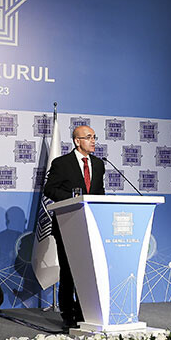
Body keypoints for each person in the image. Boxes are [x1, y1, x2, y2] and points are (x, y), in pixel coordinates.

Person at [43, 125, 105, 327]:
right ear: (77, 141)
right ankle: (68, 313)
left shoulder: (98, 164)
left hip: (91, 225)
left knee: (88, 269)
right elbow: (50, 189)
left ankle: (84, 310)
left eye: (94, 137)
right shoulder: (62, 163)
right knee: (69, 270)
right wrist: (73, 198)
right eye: (88, 137)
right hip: (67, 223)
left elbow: (99, 192)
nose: (93, 141)